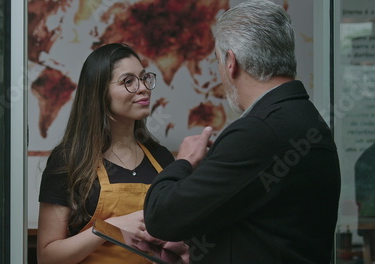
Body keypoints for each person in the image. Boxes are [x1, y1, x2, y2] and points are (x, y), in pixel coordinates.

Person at [143, 1, 341, 263]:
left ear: (231, 62)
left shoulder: (259, 132)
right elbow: (270, 227)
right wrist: (200, 249)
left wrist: (184, 160)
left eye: (217, 60)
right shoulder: (307, 120)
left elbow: (161, 217)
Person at [37, 43, 186, 263]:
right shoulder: (69, 160)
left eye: (144, 78)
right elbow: (47, 257)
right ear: (99, 93)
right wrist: (110, 227)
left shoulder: (161, 158)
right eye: (128, 81)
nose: (143, 88)